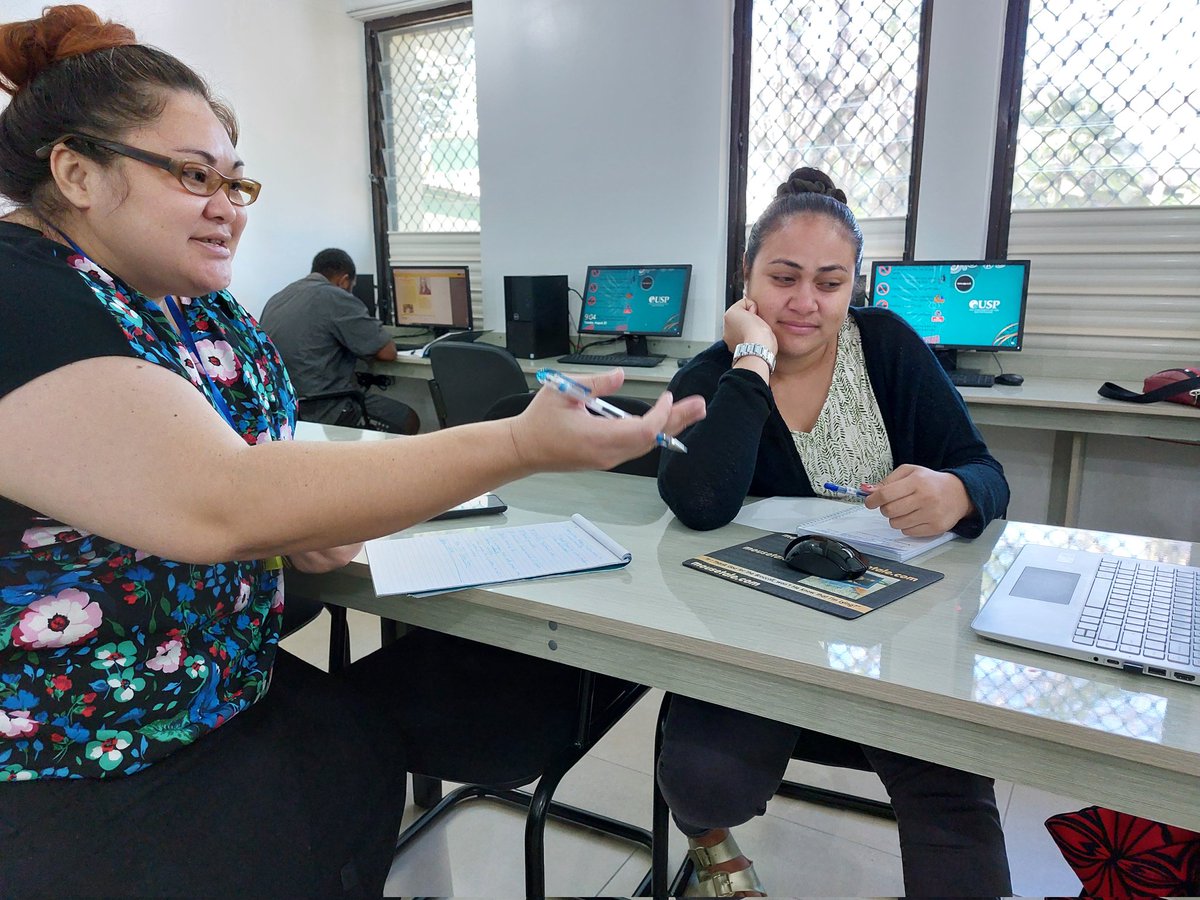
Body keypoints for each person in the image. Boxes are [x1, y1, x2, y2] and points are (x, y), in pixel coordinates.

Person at [0, 6, 704, 896]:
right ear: (76, 172)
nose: (228, 210)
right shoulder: (19, 296)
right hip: (80, 749)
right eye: (191, 175)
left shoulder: (188, 301)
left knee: (395, 738)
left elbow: (258, 467)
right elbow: (221, 496)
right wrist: (519, 442)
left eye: (235, 183)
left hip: (221, 690)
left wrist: (300, 522)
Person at [656, 168, 1012, 897]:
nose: (806, 304)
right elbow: (697, 501)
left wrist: (956, 492)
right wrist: (750, 357)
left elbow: (986, 471)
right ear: (746, 279)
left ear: (854, 286)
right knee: (700, 780)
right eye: (783, 278)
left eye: (830, 282)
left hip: (897, 645)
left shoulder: (886, 347)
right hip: (756, 643)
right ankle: (709, 843)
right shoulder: (711, 375)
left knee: (955, 800)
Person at [259, 248, 420, 434]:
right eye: (352, 287)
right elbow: (387, 352)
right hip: (326, 406)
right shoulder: (334, 296)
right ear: (344, 280)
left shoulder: (279, 297)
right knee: (407, 418)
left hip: (285, 409)